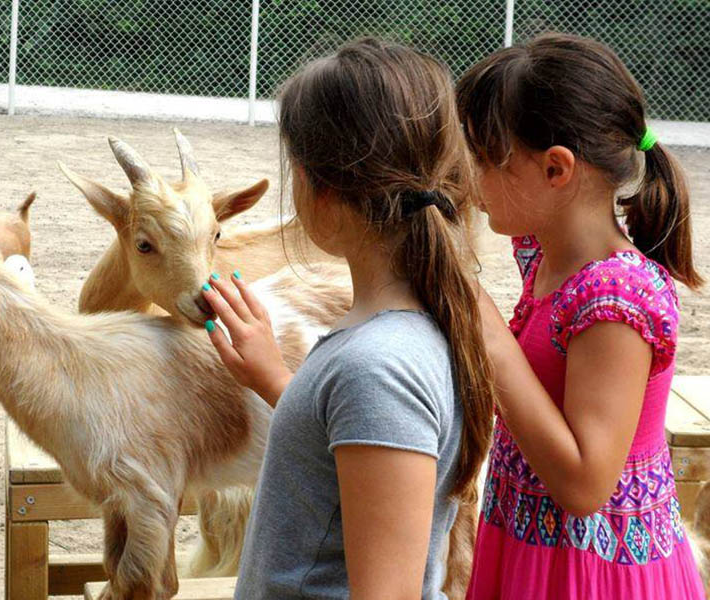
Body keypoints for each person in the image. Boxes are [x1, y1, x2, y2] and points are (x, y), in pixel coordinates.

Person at [198, 38, 496, 599]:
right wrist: (275, 381)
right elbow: (354, 464)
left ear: (319, 189)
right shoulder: (400, 337)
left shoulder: (377, 368)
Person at [456, 33, 706, 599]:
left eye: (483, 159)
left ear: (555, 170)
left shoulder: (618, 296)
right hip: (533, 555)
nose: (469, 180)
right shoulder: (542, 253)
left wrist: (490, 340)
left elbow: (586, 483)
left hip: (593, 576)